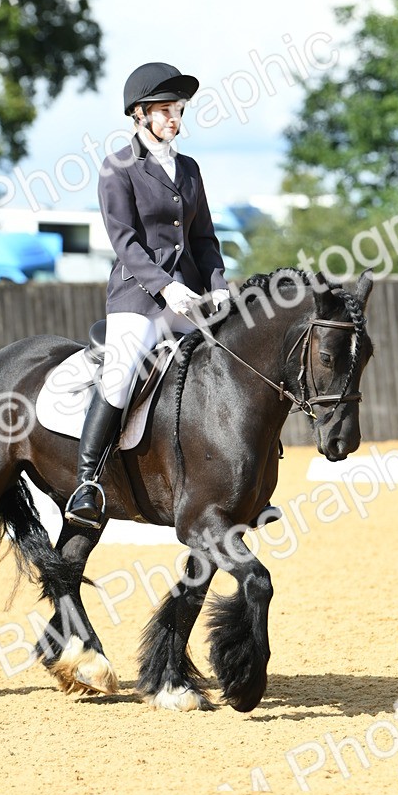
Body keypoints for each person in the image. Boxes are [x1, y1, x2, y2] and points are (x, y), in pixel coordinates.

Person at [64, 61, 231, 528]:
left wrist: (219, 287)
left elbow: (204, 239)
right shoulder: (118, 167)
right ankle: (87, 483)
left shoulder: (189, 168)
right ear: (139, 114)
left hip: (190, 298)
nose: (174, 118)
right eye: (164, 110)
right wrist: (165, 285)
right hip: (138, 298)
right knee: (121, 374)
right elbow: (125, 242)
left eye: (177, 109)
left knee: (235, 358)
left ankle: (243, 482)